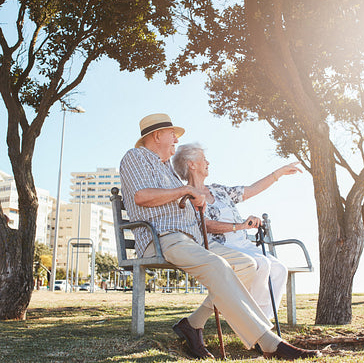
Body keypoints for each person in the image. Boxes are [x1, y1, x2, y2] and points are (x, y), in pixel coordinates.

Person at [119, 113, 321, 360]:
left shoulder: (168, 170)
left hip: (190, 239)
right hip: (163, 237)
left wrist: (196, 204)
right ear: (157, 135)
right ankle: (269, 342)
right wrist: (186, 190)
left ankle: (192, 325)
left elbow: (186, 201)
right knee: (218, 265)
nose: (176, 139)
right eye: (172, 134)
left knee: (246, 265)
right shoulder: (136, 156)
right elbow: (141, 196)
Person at [172, 142, 299, 321]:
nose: (208, 162)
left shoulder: (219, 190)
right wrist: (240, 225)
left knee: (279, 268)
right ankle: (253, 322)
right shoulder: (187, 195)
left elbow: (252, 189)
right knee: (261, 265)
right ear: (191, 164)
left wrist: (279, 173)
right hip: (220, 246)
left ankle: (264, 321)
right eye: (203, 159)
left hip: (243, 243)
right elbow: (204, 225)